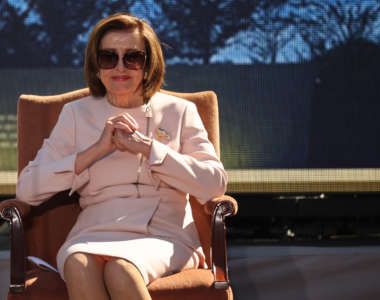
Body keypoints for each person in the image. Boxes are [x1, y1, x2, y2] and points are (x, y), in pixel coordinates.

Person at [16, 12, 227, 300]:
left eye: (132, 57)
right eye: (108, 57)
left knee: (121, 270)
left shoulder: (180, 111)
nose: (120, 67)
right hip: (94, 230)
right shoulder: (76, 115)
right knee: (78, 264)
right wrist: (95, 150)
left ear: (148, 63)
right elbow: (27, 189)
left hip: (163, 233)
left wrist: (150, 149)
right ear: (96, 64)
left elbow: (214, 184)